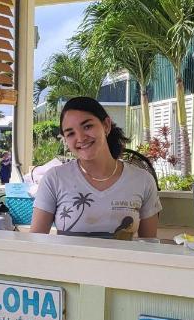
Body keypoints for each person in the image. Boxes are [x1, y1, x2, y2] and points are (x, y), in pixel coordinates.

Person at [30, 96, 161, 240]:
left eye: (87, 126)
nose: (80, 137)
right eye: (70, 133)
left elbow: (150, 245)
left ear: (106, 125)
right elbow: (36, 243)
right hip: (68, 263)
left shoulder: (142, 180)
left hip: (122, 263)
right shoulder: (54, 179)